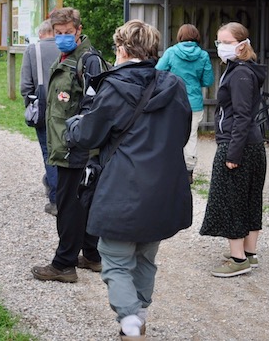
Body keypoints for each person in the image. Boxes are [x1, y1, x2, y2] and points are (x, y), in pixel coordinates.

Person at [65, 19, 193, 340]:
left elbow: (89, 133)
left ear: (122, 49)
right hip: (164, 187)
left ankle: (131, 322)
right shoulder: (175, 85)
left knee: (115, 258)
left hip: (124, 187)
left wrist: (73, 124)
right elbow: (182, 132)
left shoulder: (114, 87)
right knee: (146, 255)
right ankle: (140, 313)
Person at [32, 7, 105, 283]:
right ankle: (91, 255)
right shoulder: (67, 57)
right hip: (66, 144)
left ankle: (64, 264)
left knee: (69, 205)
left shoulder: (88, 60)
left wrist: (78, 140)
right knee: (81, 201)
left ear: (78, 29)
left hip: (76, 147)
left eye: (67, 32)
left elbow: (93, 107)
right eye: (58, 32)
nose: (62, 37)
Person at [200, 22, 268, 278]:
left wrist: (233, 154)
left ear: (241, 45)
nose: (221, 47)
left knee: (232, 200)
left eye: (226, 42)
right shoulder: (243, 70)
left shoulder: (239, 73)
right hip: (251, 144)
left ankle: (238, 258)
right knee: (250, 198)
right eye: (219, 42)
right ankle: (249, 253)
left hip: (237, 143)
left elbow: (241, 116)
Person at [156, 23, 214, 184]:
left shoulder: (171, 52)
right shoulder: (203, 55)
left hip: (172, 101)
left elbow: (157, 71)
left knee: (169, 135)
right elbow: (208, 80)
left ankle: (169, 170)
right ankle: (188, 171)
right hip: (194, 103)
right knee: (191, 137)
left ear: (180, 36)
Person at [19, 19, 61, 216]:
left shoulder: (32, 50)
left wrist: (31, 103)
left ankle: (56, 201)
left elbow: (25, 86)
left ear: (41, 33)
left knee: (49, 153)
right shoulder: (70, 48)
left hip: (43, 109)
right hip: (68, 109)